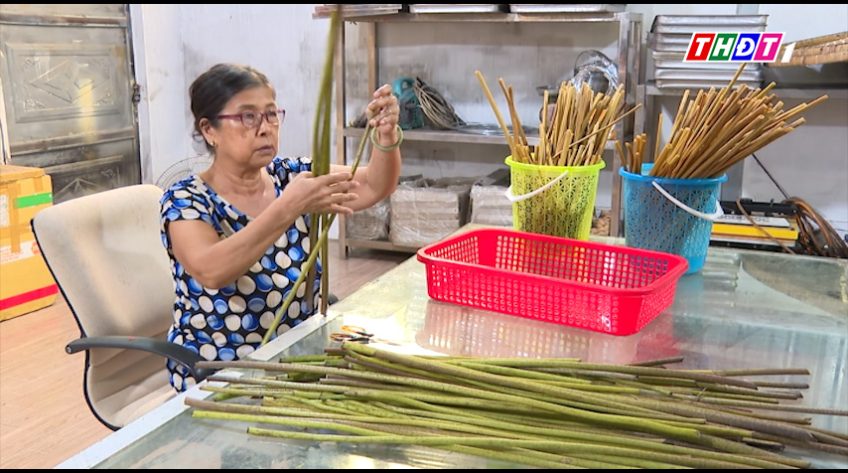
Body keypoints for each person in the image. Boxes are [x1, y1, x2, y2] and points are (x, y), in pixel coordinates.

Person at [159, 64, 401, 391]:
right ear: (209, 130)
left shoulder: (291, 176)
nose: (265, 128)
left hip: (299, 356)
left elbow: (374, 185)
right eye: (247, 117)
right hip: (224, 371)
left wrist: (385, 138)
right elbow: (211, 269)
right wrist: (289, 206)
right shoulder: (187, 199)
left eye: (271, 114)